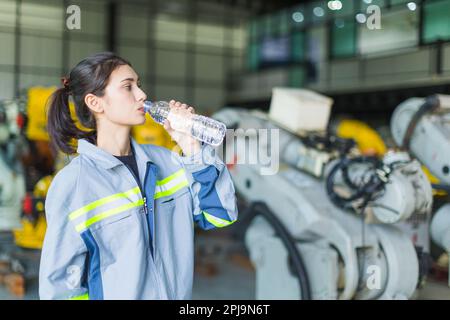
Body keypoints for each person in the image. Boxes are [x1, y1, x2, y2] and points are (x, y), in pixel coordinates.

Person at [39, 51, 238, 300]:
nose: (142, 95)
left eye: (139, 85)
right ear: (95, 102)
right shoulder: (74, 184)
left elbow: (220, 216)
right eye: (127, 87)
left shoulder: (169, 162)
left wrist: (191, 147)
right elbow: (60, 287)